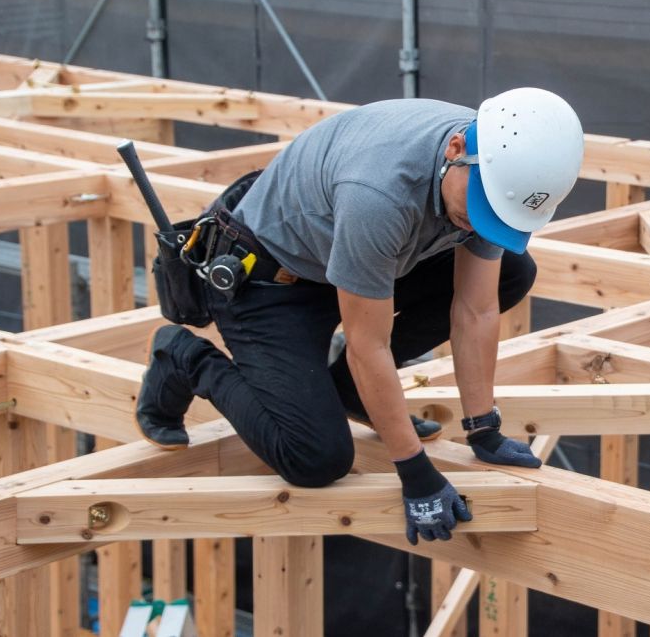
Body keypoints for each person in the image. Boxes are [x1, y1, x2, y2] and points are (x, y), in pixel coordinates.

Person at [135, 87, 584, 545]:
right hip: (272, 280)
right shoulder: (382, 193)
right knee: (314, 458)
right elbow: (369, 344)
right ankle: (185, 357)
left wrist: (483, 429)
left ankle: (352, 393)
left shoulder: (496, 172)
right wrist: (414, 472)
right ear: (455, 151)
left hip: (360, 260)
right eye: (482, 209)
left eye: (498, 217)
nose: (481, 221)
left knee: (512, 271)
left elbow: (476, 308)